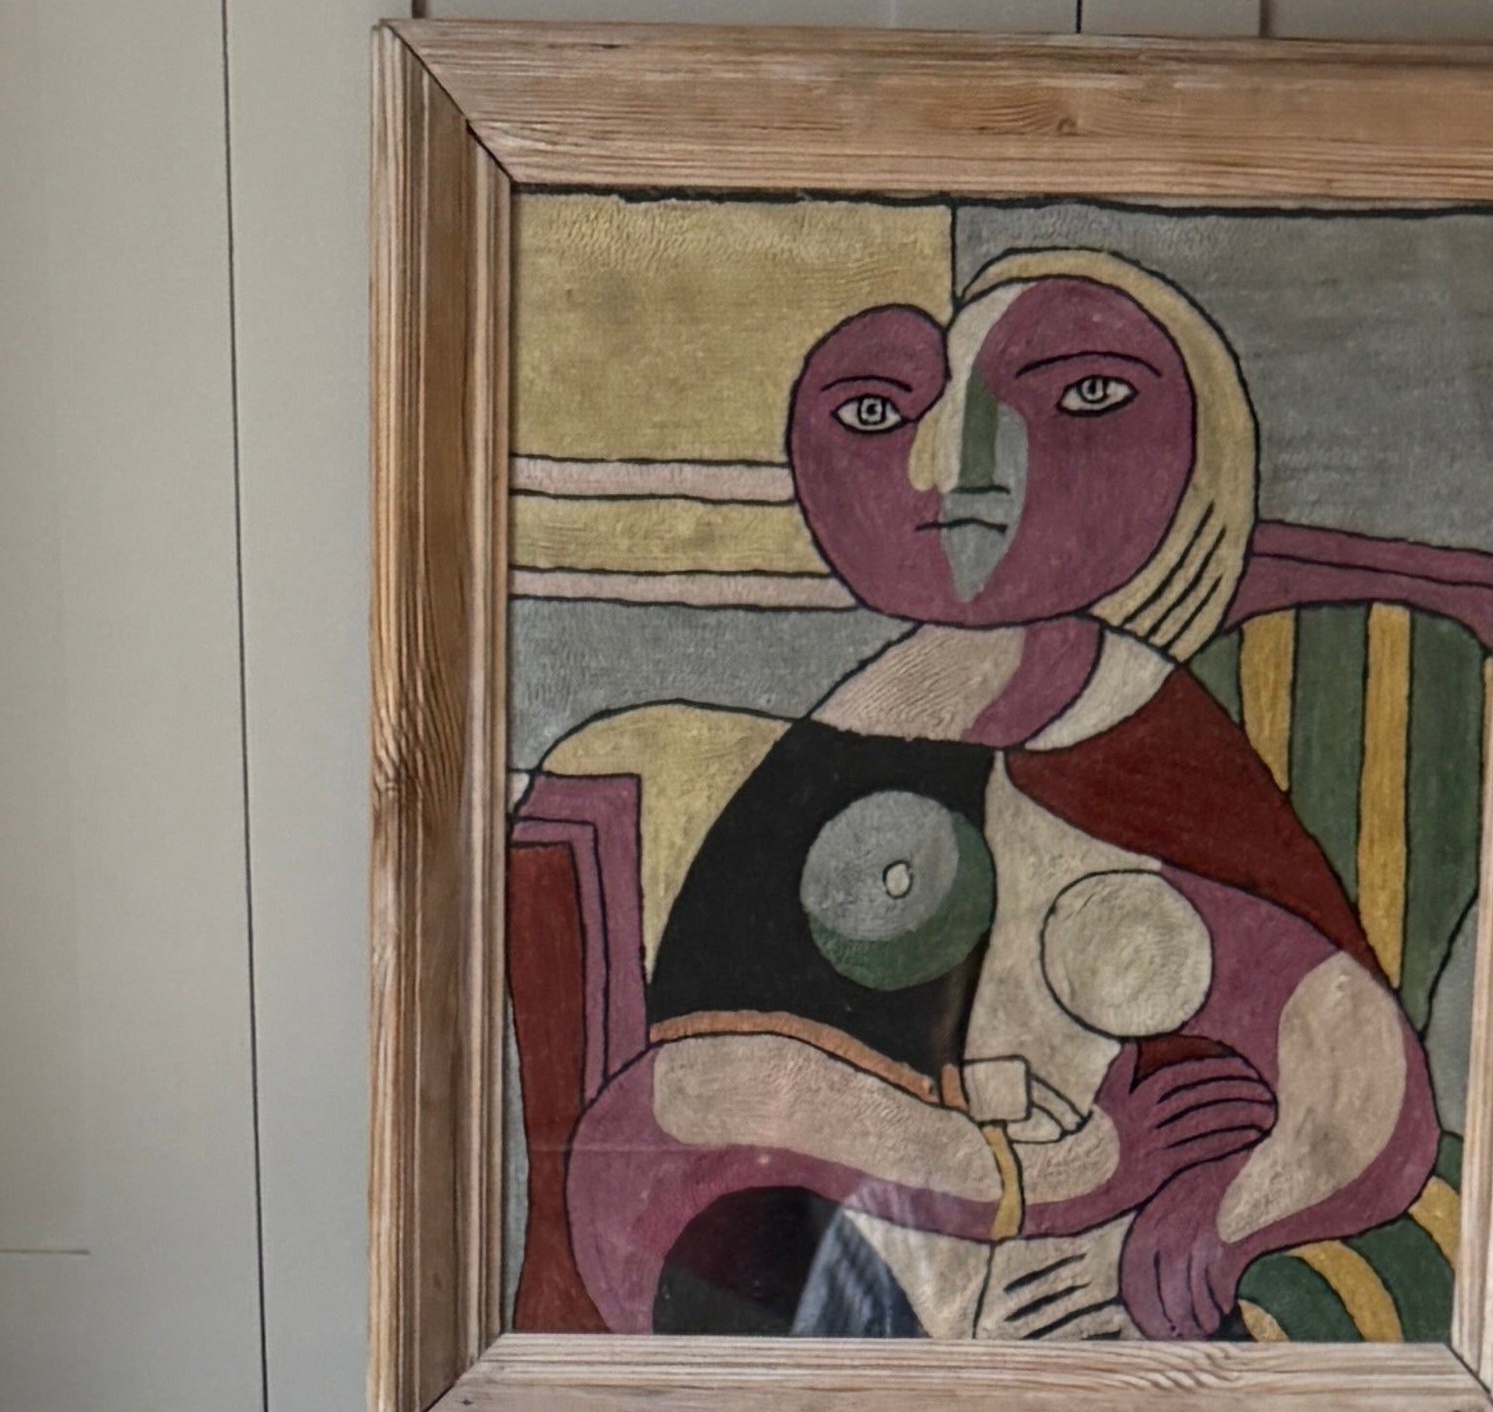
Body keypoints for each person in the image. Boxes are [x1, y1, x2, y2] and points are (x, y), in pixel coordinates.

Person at [553, 252, 1434, 1346]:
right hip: (869, 1275)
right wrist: (1053, 1171)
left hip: (1098, 1294)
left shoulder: (1152, 741)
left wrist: (1219, 1219)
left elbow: (1356, 1073)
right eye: (879, 412)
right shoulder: (853, 742)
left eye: (1087, 397)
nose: (960, 472)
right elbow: (691, 1102)